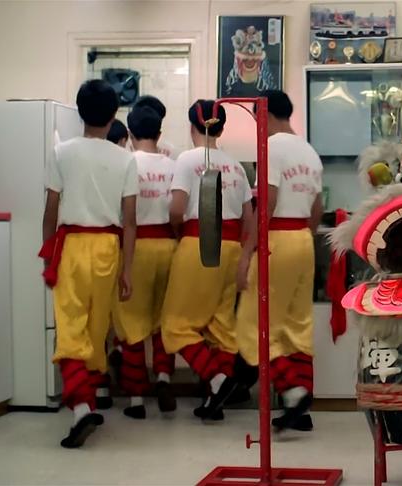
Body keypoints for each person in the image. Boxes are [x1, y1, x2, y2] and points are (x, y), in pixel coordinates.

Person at [40, 79, 138, 448]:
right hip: (108, 248)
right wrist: (127, 270)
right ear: (114, 115)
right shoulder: (125, 159)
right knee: (96, 331)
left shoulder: (61, 152)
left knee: (70, 328)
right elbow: (130, 221)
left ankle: (81, 407)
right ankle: (89, 401)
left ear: (80, 113)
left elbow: (50, 211)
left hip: (72, 246)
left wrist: (49, 253)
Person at [160, 99, 255, 421]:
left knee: (175, 325)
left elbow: (177, 209)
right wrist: (244, 256)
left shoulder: (187, 160)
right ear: (221, 129)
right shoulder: (237, 167)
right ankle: (216, 400)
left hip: (199, 245)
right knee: (222, 326)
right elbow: (249, 219)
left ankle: (217, 379)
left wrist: (178, 233)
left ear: (192, 127)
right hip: (231, 250)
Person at [236, 90, 324, 433]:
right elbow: (317, 208)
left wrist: (247, 253)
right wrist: (304, 240)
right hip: (303, 240)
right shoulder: (309, 151)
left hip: (278, 240)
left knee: (253, 324)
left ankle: (292, 390)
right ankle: (300, 408)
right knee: (296, 325)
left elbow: (267, 203)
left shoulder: (270, 147)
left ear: (265, 115)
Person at [110, 105, 178, 419]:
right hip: (169, 245)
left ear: (130, 134)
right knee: (163, 319)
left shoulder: (125, 164)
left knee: (131, 323)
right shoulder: (174, 165)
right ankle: (164, 377)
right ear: (159, 134)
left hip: (134, 247)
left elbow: (120, 213)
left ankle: (136, 398)